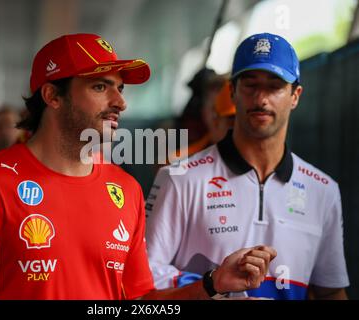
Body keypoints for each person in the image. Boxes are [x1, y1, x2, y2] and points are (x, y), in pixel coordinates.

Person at [0, 33, 276, 300]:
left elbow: (142, 301)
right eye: (100, 86)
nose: (120, 102)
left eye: (120, 88)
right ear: (53, 96)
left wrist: (212, 284)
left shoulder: (125, 190)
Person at [145, 33, 349, 300]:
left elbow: (331, 291)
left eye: (275, 86)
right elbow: (142, 294)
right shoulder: (178, 178)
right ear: (232, 91)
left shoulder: (323, 190)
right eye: (250, 85)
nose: (261, 98)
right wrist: (211, 286)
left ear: (295, 96)